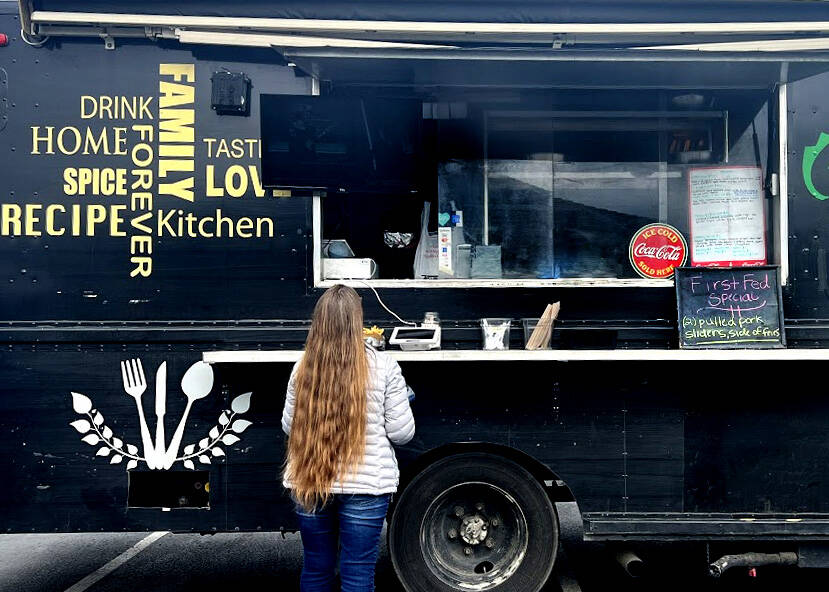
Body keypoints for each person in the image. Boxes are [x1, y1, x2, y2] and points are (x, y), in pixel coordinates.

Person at [281, 284, 415, 592]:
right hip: (366, 486)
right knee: (357, 573)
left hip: (312, 480)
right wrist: (404, 399)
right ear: (358, 322)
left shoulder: (302, 367)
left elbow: (291, 427)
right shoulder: (384, 367)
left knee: (316, 567)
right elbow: (401, 433)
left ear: (319, 322)